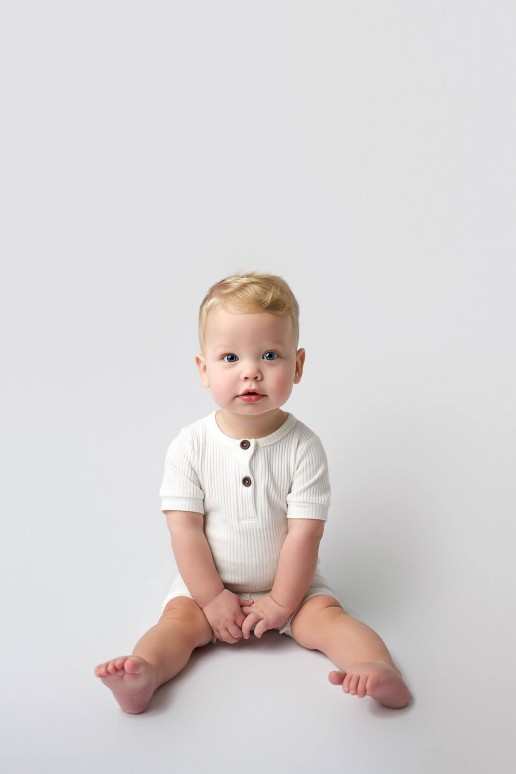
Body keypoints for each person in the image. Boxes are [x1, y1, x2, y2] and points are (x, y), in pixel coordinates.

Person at [95, 272, 411, 713]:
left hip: (291, 586)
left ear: (297, 366)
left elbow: (305, 534)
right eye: (229, 357)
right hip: (206, 585)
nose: (251, 371)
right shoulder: (190, 445)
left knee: (329, 621)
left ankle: (377, 667)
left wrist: (283, 601)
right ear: (203, 369)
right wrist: (211, 598)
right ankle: (143, 672)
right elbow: (185, 530)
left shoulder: (304, 446)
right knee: (177, 623)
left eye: (269, 354)